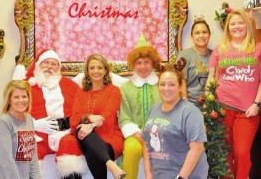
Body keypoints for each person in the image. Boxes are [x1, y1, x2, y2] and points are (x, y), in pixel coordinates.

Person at [206, 9, 261, 179]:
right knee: (224, 153)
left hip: (247, 111)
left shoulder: (258, 48)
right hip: (222, 109)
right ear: (228, 27)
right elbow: (211, 78)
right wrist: (209, 105)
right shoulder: (219, 49)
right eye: (233, 23)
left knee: (242, 152)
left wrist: (257, 104)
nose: (237, 26)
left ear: (247, 25)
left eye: (240, 22)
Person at [142, 60, 209, 179]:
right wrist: (148, 173)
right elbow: (146, 143)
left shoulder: (190, 113)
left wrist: (181, 177)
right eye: (162, 84)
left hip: (186, 175)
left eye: (171, 84)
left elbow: (197, 148)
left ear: (180, 87)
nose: (166, 88)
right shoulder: (154, 109)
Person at [25, 49, 85, 179]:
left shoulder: (70, 85)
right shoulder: (26, 86)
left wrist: (71, 126)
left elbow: (81, 109)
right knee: (29, 149)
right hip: (37, 134)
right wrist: (33, 124)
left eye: (54, 64)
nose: (49, 67)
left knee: (70, 144)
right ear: (38, 65)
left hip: (64, 132)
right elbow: (13, 113)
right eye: (46, 63)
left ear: (59, 68)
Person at [67, 53, 125, 179]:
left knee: (91, 150)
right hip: (84, 135)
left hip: (110, 136)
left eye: (99, 67)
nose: (96, 71)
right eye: (92, 68)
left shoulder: (113, 90)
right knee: (84, 132)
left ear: (105, 71)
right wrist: (89, 117)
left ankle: (107, 163)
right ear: (87, 71)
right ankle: (110, 164)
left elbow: (107, 116)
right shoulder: (81, 92)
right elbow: (74, 119)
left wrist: (90, 125)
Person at [118, 38, 162, 179]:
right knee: (131, 149)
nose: (143, 67)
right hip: (134, 136)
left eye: (146, 62)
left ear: (153, 63)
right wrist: (136, 133)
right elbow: (124, 116)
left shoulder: (163, 84)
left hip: (161, 134)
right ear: (133, 64)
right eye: (139, 62)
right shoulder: (125, 88)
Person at [0, 80, 40, 178]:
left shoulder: (29, 119)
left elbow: (33, 155)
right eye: (16, 97)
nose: (21, 100)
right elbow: (6, 160)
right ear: (9, 100)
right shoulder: (4, 121)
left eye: (24, 96)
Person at [177, 16, 212, 107]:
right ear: (192, 36)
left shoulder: (214, 55)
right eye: (197, 33)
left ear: (209, 35)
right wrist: (186, 106)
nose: (201, 36)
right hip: (191, 105)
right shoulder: (184, 55)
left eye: (204, 32)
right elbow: (181, 81)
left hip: (211, 106)